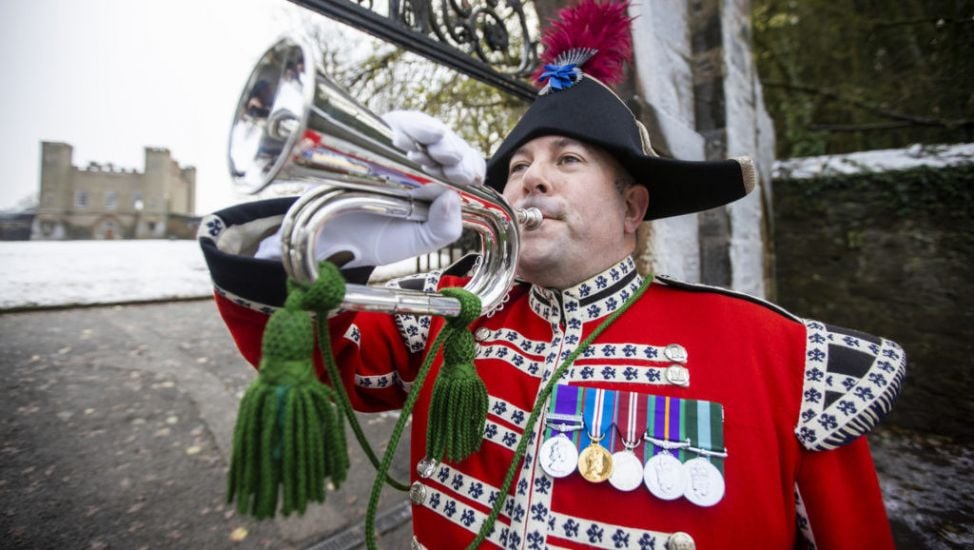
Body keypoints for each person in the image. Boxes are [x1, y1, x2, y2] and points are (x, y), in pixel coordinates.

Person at [199, 1, 904, 547]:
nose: (531, 179)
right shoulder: (454, 312)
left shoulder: (775, 353)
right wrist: (329, 248)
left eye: (567, 160)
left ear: (633, 209)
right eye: (517, 167)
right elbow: (317, 364)